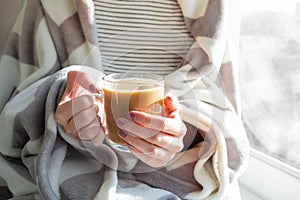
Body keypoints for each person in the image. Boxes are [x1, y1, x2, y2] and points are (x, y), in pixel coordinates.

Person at [0, 0, 250, 200]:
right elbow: (13, 114)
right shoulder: (48, 5)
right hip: (72, 171)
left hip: (183, 182)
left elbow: (224, 120)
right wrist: (58, 97)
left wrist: (181, 135)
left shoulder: (211, 11)